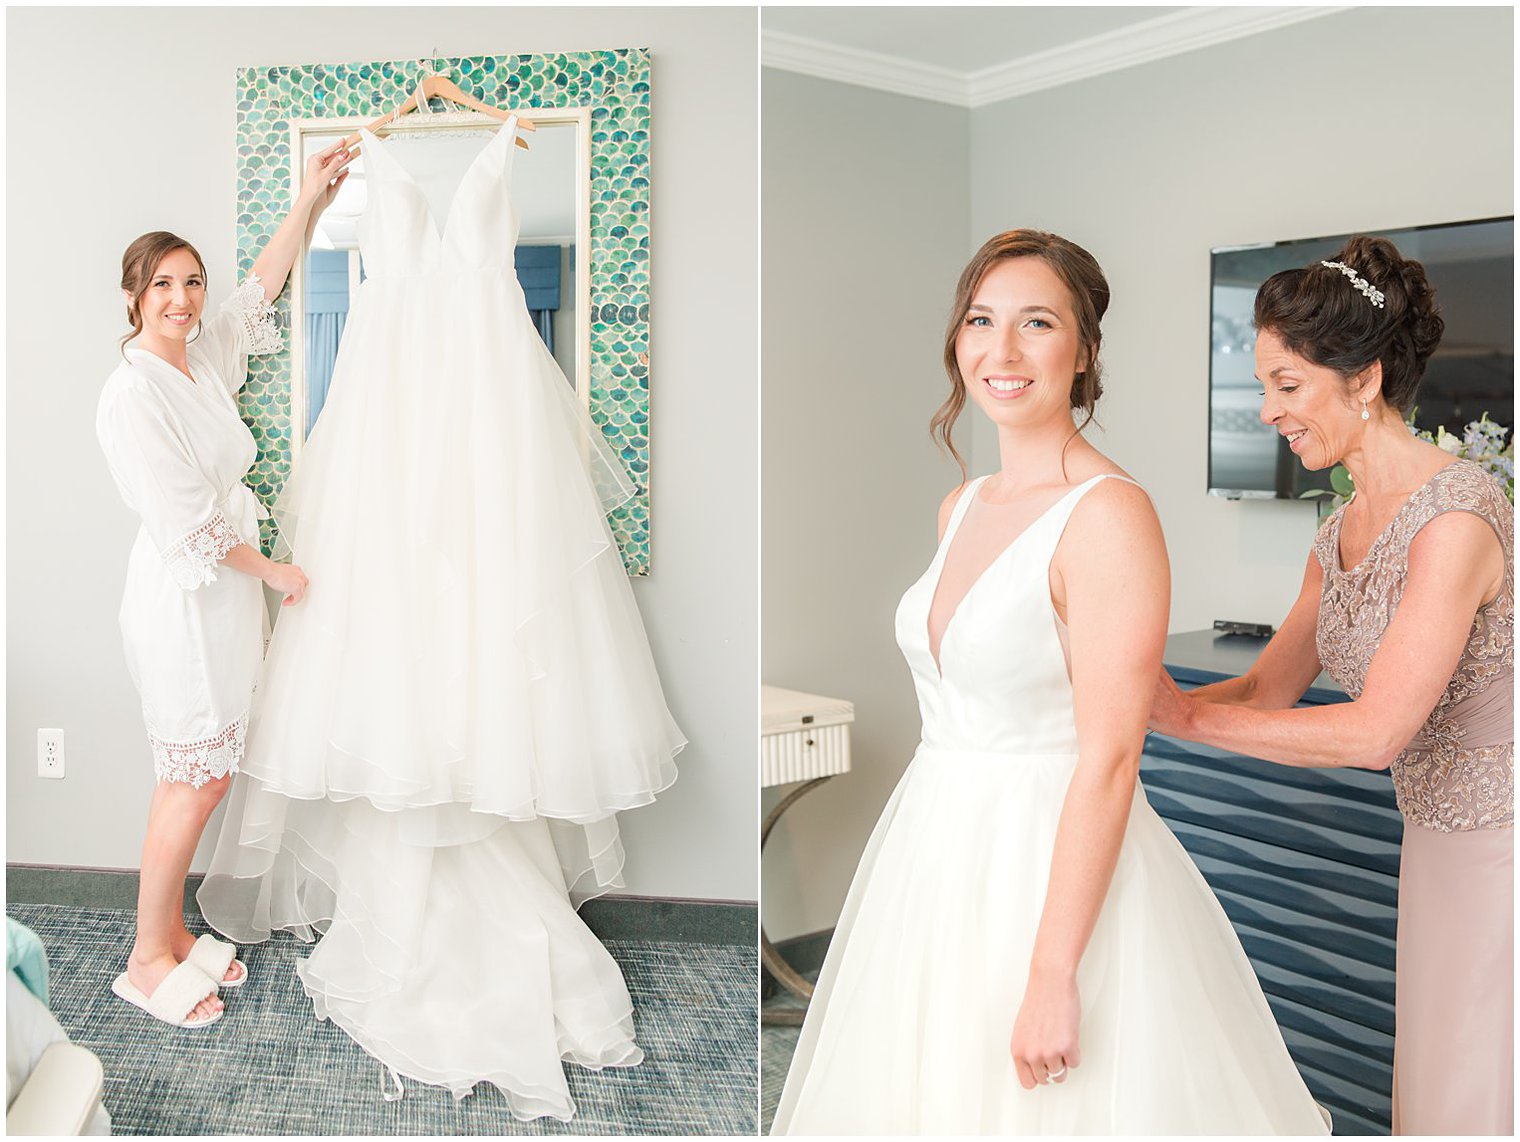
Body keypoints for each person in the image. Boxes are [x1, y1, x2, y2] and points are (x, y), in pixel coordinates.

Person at [772, 230, 1328, 1134]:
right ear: (958, 341)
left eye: (1037, 323)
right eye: (982, 321)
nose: (1004, 350)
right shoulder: (963, 504)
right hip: (935, 850)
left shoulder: (1109, 516)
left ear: (1084, 351)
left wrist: (1052, 974)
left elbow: (1110, 759)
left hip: (1047, 865)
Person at [1150, 235, 1512, 1135]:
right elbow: (1271, 687)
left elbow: (1375, 733)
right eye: (1265, 385)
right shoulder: (1340, 527)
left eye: (1287, 384)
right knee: (1434, 1083)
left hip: (1504, 848)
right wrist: (1132, 697)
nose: (1268, 410)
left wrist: (1185, 719)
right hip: (1437, 840)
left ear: (1366, 378)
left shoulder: (1457, 518)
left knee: (1476, 1088)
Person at [95, 141, 352, 1028]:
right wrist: (276, 571)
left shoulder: (200, 360)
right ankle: (142, 957)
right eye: (163, 285)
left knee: (206, 770)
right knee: (191, 777)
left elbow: (262, 289)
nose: (182, 299)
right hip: (183, 598)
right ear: (134, 297)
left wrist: (310, 197)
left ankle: (167, 930)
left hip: (225, 598)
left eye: (191, 282)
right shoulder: (132, 397)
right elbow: (188, 523)